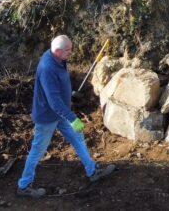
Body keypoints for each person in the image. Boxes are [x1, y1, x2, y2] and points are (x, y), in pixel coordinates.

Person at [17, 35, 116, 197]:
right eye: (68, 50)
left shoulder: (58, 59)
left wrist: (69, 95)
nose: (71, 52)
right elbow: (53, 101)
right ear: (57, 50)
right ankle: (24, 186)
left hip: (60, 113)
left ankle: (92, 171)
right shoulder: (47, 68)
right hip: (47, 117)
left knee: (78, 137)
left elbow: (59, 87)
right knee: (37, 151)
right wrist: (72, 118)